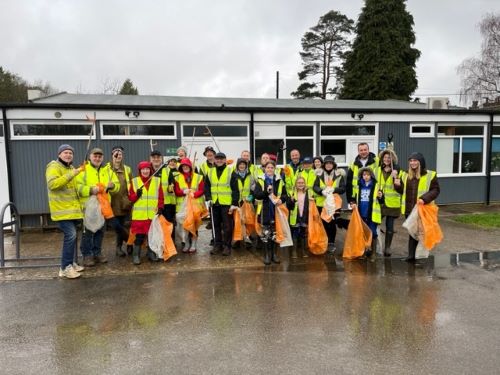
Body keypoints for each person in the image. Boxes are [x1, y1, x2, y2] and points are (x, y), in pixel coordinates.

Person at [46, 144, 85, 279]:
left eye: (70, 153)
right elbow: (52, 185)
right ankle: (65, 268)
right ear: (59, 154)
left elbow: (73, 191)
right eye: (65, 153)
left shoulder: (71, 168)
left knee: (73, 237)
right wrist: (73, 173)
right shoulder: (54, 167)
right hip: (61, 211)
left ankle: (71, 263)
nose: (68, 155)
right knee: (71, 236)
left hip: (72, 212)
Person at [76, 147, 120, 267]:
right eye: (95, 156)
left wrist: (112, 186)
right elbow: (77, 187)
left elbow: (117, 186)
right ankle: (87, 255)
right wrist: (89, 190)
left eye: (99, 156)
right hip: (88, 207)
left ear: (102, 158)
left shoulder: (108, 171)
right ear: (90, 157)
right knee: (88, 231)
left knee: (100, 230)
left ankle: (97, 252)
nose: (97, 158)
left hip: (103, 206)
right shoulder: (83, 169)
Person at [395, 152, 440, 262]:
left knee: (422, 233)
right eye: (410, 161)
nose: (412, 163)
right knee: (412, 231)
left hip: (423, 209)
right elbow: (402, 191)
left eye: (415, 161)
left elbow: (435, 190)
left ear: (420, 162)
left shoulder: (430, 175)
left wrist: (424, 199)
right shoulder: (405, 174)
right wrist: (396, 185)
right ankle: (412, 256)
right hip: (409, 209)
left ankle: (420, 256)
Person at [128, 161, 164, 265]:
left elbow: (160, 196)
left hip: (152, 215)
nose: (145, 171)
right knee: (139, 237)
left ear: (150, 170)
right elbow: (131, 198)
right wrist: (136, 195)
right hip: (140, 216)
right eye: (143, 169)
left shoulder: (157, 181)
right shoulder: (134, 181)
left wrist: (160, 207)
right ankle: (136, 255)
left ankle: (151, 253)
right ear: (140, 171)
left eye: (147, 169)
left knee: (151, 235)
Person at [252, 160, 288, 265]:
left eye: (272, 167)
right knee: (266, 234)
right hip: (264, 211)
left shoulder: (279, 180)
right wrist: (266, 192)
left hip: (276, 211)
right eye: (268, 167)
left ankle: (274, 254)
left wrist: (281, 200)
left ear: (275, 169)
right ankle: (267, 255)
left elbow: (285, 195)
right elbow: (257, 195)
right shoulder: (260, 180)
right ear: (265, 169)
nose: (270, 169)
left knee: (275, 233)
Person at [313, 155, 346, 254]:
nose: (328, 165)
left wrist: (334, 189)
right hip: (322, 203)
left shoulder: (339, 174)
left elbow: (343, 188)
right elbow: (315, 186)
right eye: (327, 163)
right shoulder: (319, 174)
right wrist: (321, 191)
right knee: (323, 224)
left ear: (333, 164)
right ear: (324, 165)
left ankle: (331, 243)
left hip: (334, 204)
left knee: (331, 224)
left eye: (330, 163)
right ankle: (325, 241)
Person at [205, 152, 235, 256]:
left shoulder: (230, 171)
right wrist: (208, 198)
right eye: (217, 159)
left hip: (226, 203)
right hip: (214, 203)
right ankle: (217, 245)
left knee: (227, 226)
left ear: (225, 160)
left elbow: (235, 188)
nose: (219, 161)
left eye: (221, 159)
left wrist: (234, 203)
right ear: (214, 160)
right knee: (215, 225)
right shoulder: (210, 171)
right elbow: (207, 186)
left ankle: (227, 246)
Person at [351, 167, 383, 261]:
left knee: (373, 232)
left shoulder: (376, 185)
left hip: (372, 214)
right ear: (362, 176)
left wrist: (380, 197)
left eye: (368, 175)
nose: (366, 177)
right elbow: (354, 197)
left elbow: (381, 201)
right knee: (363, 233)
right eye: (364, 175)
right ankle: (364, 252)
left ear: (371, 175)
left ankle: (373, 253)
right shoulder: (358, 185)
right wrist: (353, 203)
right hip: (361, 214)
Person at [106, 146, 133, 257]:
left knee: (125, 225)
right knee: (117, 226)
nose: (118, 156)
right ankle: (130, 242)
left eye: (120, 154)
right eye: (116, 154)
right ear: (112, 155)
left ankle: (122, 248)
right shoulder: (106, 169)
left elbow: (131, 185)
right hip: (111, 203)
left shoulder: (127, 169)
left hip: (124, 202)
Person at [374, 149, 402, 256]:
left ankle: (387, 248)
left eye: (389, 158)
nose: (386, 159)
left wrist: (397, 180)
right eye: (385, 157)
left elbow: (400, 189)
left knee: (390, 226)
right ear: (382, 159)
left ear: (392, 159)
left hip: (391, 203)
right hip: (379, 202)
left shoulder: (398, 171)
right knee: (374, 224)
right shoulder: (377, 170)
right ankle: (374, 246)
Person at [174, 158, 205, 253]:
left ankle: (194, 244)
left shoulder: (198, 177)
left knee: (194, 226)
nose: (185, 167)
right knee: (185, 226)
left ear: (190, 167)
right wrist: (184, 192)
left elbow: (202, 189)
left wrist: (194, 194)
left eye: (187, 166)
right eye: (183, 166)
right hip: (182, 207)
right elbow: (176, 191)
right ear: (181, 167)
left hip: (195, 206)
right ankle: (187, 243)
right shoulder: (177, 177)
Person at [230, 158, 254, 248]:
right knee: (238, 221)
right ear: (237, 165)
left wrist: (251, 196)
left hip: (247, 202)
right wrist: (234, 202)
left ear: (246, 165)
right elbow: (232, 189)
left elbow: (253, 187)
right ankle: (238, 240)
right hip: (238, 202)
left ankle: (247, 238)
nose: (242, 166)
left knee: (247, 221)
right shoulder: (234, 175)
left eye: (244, 164)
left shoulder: (249, 175)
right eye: (240, 164)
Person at [287, 176, 311, 258]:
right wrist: (291, 200)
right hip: (295, 217)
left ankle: (304, 251)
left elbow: (311, 205)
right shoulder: (292, 193)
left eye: (302, 183)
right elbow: (288, 207)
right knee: (295, 234)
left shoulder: (308, 193)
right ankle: (294, 251)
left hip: (304, 216)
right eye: (299, 183)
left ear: (305, 184)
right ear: (296, 184)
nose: (300, 184)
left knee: (303, 234)